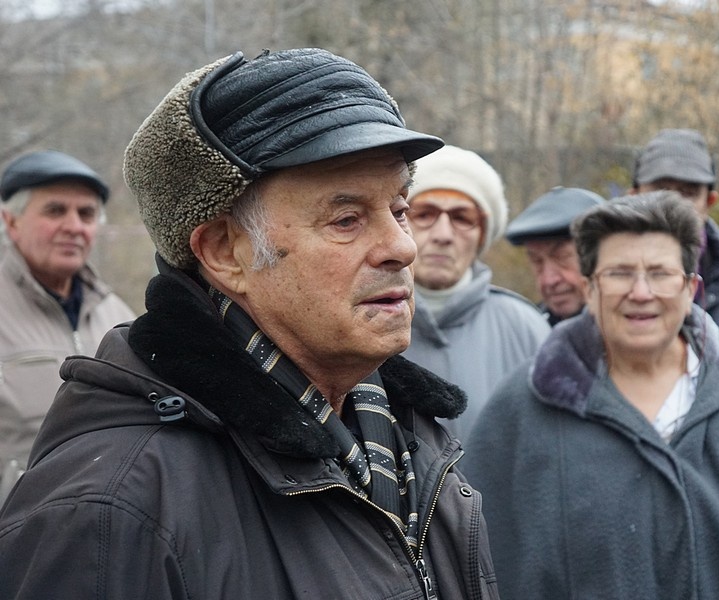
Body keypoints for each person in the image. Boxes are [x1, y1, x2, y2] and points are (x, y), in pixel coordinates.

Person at [0, 48, 499, 599]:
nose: (403, 247)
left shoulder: (411, 442)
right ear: (224, 251)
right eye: (347, 219)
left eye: (400, 208)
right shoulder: (111, 514)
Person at [465, 192, 719, 599]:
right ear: (590, 288)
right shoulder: (524, 408)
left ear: (690, 288)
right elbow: (484, 569)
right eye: (619, 273)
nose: (641, 291)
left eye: (659, 272)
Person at [0, 150, 135, 503]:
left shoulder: (118, 315)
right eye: (55, 210)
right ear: (10, 221)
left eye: (86, 213)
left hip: (97, 535)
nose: (74, 226)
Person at [401, 144, 550, 441]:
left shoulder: (527, 329)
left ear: (483, 234)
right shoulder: (363, 321)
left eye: (461, 218)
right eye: (425, 213)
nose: (443, 234)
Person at [631, 128, 719, 326]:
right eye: (661, 190)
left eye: (688, 192)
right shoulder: (603, 280)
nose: (674, 203)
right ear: (633, 196)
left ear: (710, 202)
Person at [505, 185, 606, 325]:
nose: (549, 280)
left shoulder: (638, 334)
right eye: (537, 261)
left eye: (562, 257)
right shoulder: (529, 334)